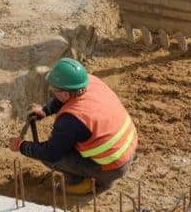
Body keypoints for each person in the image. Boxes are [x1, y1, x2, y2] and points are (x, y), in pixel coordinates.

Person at [9, 58, 138, 195]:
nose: (52, 91)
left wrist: (22, 146)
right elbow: (68, 97)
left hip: (114, 167)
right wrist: (46, 110)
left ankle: (81, 183)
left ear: (64, 93)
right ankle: (109, 171)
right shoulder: (90, 81)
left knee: (50, 155)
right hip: (130, 147)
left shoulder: (71, 119)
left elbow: (51, 153)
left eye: (54, 90)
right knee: (68, 141)